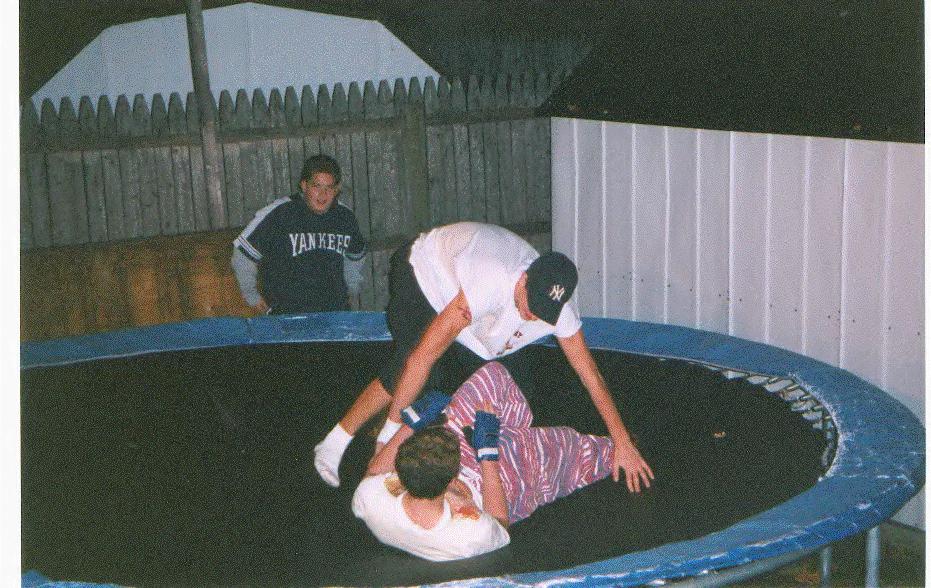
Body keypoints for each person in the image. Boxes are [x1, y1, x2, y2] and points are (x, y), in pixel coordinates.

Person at [315, 221, 652, 493]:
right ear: (523, 279)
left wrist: (622, 441)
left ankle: (471, 472)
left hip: (479, 319)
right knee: (413, 367)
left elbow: (591, 375)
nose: (534, 316)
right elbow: (421, 358)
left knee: (517, 397)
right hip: (426, 277)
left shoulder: (557, 310)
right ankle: (336, 439)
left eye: (544, 312)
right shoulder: (490, 280)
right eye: (532, 304)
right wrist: (386, 441)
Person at [352, 361, 620, 562]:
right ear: (452, 478)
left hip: (442, 464)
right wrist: (488, 451)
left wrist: (412, 423)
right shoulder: (466, 534)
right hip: (493, 485)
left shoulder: (369, 499)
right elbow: (500, 522)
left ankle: (510, 428)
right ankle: (617, 449)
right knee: (564, 446)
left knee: (493, 374)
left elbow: (374, 471)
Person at [231, 154, 367, 314]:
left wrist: (352, 287)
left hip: (335, 316)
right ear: (304, 185)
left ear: (336, 189)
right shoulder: (280, 213)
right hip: (288, 318)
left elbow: (356, 255)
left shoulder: (345, 217)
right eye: (316, 186)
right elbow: (242, 253)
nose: (323, 195)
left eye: (329, 188)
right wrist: (252, 296)